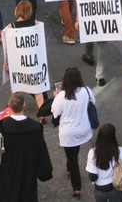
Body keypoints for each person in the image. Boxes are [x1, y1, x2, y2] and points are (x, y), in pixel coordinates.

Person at [0, 92, 53, 202]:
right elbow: (41, 150)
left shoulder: (2, 126)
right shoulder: (36, 127)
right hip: (27, 169)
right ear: (24, 106)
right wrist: (44, 171)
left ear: (9, 106)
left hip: (7, 169)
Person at [51, 67, 94, 199]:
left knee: (72, 157)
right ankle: (69, 169)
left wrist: (55, 96)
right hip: (83, 129)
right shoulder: (86, 91)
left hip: (68, 133)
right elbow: (93, 103)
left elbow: (55, 112)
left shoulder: (61, 96)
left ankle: (77, 187)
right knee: (74, 152)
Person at [4, 1, 47, 120]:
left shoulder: (11, 27)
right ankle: (42, 114)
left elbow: (8, 48)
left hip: (18, 63)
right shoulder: (37, 24)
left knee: (16, 86)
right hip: (33, 62)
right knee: (37, 90)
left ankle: (14, 106)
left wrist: (7, 63)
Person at [75, 0, 110, 86]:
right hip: (103, 14)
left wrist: (78, 20)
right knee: (102, 45)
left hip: (88, 14)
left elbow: (80, 2)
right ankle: (99, 75)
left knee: (89, 34)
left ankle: (89, 55)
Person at [86, 123, 122, 202]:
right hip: (117, 187)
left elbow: (93, 177)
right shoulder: (121, 151)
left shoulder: (93, 152)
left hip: (100, 189)